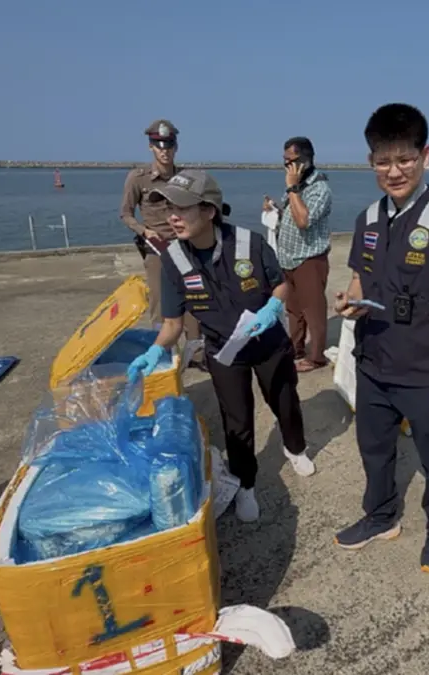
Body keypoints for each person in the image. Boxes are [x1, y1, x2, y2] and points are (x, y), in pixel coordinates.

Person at [332, 103, 429, 574]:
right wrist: (349, 301)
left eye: (404, 159)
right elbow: (360, 279)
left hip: (426, 369)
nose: (393, 171)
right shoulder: (368, 219)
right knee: (374, 450)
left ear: (425, 156)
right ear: (371, 162)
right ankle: (381, 516)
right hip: (374, 360)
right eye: (383, 161)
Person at [127, 170, 316, 523]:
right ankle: (246, 484)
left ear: (210, 210)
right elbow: (172, 324)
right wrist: (155, 350)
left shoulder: (250, 243)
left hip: (269, 344)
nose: (172, 217)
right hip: (223, 352)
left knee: (285, 401)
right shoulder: (173, 260)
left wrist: (273, 307)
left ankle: (295, 448)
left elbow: (280, 286)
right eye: (169, 208)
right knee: (236, 421)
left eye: (181, 208)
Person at [119, 119, 204, 369]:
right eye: (159, 145)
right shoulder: (138, 178)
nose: (164, 150)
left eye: (169, 145)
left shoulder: (185, 178)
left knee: (194, 298)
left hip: (185, 247)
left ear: (176, 147)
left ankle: (196, 353)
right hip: (156, 248)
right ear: (151, 147)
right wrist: (143, 230)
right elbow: (125, 213)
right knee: (161, 304)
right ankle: (164, 355)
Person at [262, 137, 333, 373]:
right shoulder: (297, 186)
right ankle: (296, 348)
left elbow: (304, 220)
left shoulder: (319, 188)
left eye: (291, 162)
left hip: (309, 258)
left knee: (313, 310)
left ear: (305, 160)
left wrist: (291, 187)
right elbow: (292, 215)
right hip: (288, 258)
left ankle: (317, 356)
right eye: (285, 162)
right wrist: (275, 210)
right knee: (293, 308)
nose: (288, 168)